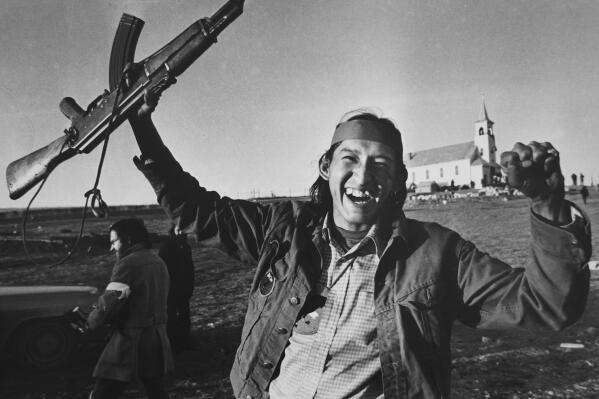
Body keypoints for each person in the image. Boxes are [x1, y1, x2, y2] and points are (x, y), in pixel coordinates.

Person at [128, 94, 591, 398]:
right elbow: (195, 210)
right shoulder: (281, 229)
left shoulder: (438, 253)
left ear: (397, 183)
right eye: (349, 159)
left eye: (381, 165)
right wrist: (142, 126)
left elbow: (545, 305)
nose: (363, 176)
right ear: (327, 167)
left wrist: (549, 205)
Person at [86, 218, 174, 399]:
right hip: (156, 339)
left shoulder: (127, 264)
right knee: (155, 390)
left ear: (127, 240)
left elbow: (110, 303)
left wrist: (90, 322)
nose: (112, 248)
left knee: (104, 390)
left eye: (113, 242)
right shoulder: (158, 261)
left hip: (130, 341)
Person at [159, 225, 195, 352]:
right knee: (171, 316)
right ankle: (172, 344)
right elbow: (162, 268)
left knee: (184, 314)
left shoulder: (186, 246)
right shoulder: (167, 246)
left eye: (183, 229)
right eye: (178, 229)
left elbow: (190, 268)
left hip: (184, 287)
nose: (180, 232)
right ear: (173, 229)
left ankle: (185, 341)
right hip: (171, 287)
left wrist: (190, 285)